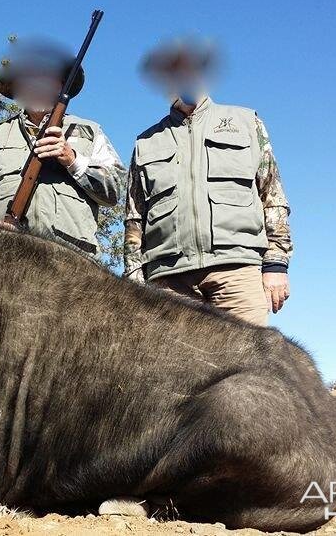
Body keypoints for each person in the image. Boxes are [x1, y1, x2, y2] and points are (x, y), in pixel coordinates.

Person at [124, 38, 293, 326]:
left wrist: (276, 263)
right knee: (173, 371)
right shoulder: (145, 142)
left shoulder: (246, 122)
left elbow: (272, 195)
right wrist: (134, 282)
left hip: (237, 271)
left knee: (250, 367)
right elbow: (134, 217)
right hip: (168, 283)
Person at [0, 40, 125, 256]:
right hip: (4, 258)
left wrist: (73, 160)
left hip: (74, 264)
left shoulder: (90, 132)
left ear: (61, 85)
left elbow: (114, 190)